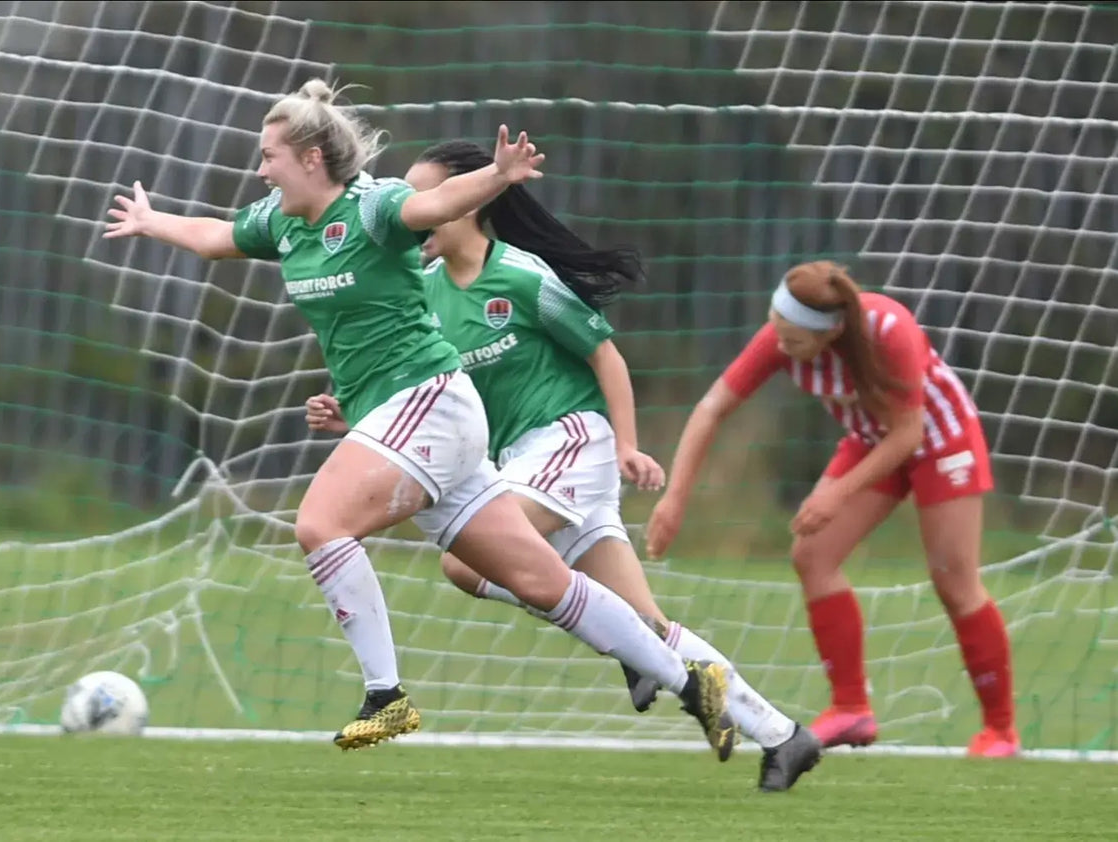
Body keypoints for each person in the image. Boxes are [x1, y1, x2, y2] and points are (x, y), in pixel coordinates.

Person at [102, 79, 735, 757]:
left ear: (312, 157)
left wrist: (497, 175)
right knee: (539, 582)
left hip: (429, 400)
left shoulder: (373, 207)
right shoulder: (282, 221)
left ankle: (386, 695)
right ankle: (686, 676)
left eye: (269, 155)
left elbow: (439, 202)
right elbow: (215, 237)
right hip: (412, 418)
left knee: (320, 524)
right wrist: (152, 221)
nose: (260, 168)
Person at [305, 139, 820, 792]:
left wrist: (629, 445)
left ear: (469, 203)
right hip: (524, 462)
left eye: (428, 197)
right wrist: (354, 423)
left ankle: (628, 647)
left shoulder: (521, 276)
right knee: (647, 624)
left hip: (573, 441)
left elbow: (606, 356)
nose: (415, 210)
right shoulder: (424, 294)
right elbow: (430, 401)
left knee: (465, 562)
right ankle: (783, 735)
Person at [644, 260, 1019, 758]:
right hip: (871, 442)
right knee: (813, 554)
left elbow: (909, 432)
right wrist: (675, 499)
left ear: (834, 331)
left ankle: (1000, 731)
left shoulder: (890, 330)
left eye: (794, 340)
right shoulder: (781, 335)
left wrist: (835, 494)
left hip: (942, 441)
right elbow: (713, 408)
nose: (780, 346)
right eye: (776, 331)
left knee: (954, 579)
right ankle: (851, 709)